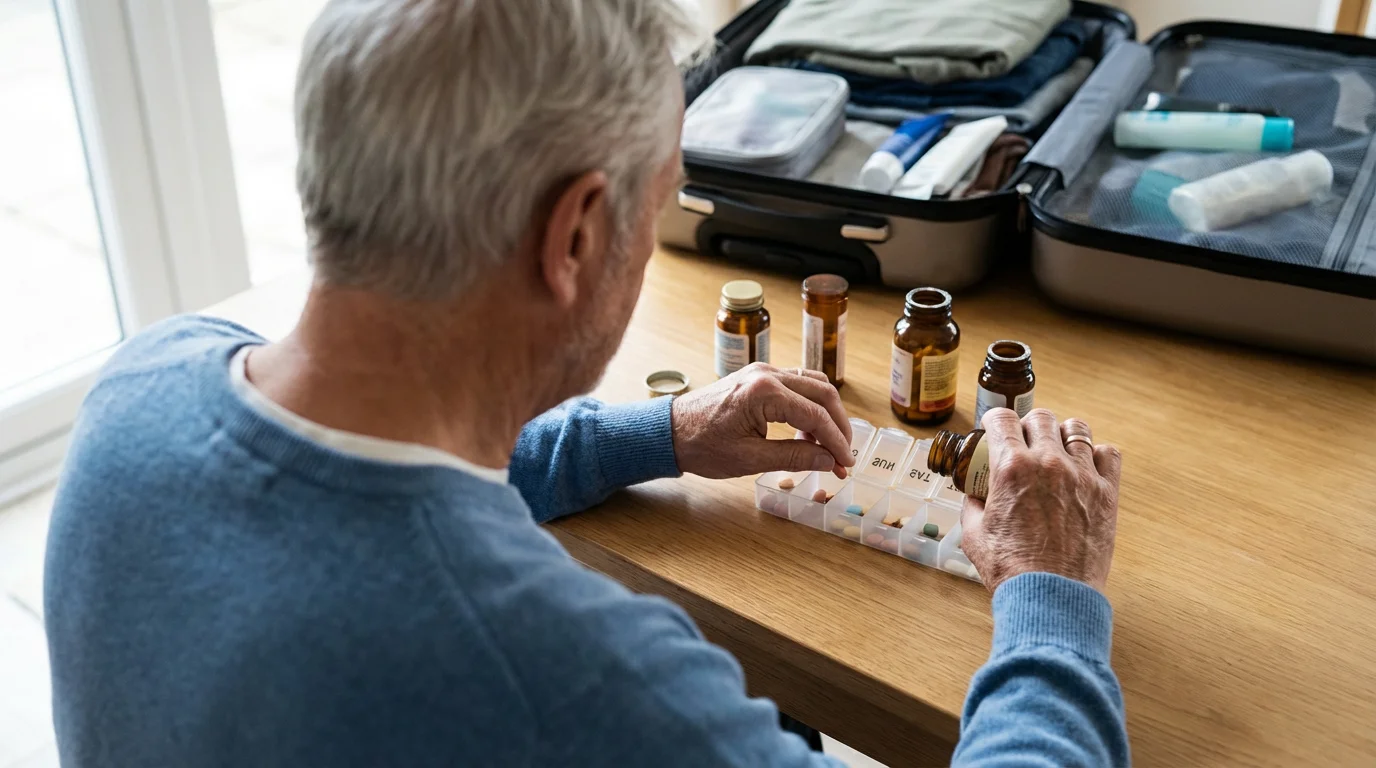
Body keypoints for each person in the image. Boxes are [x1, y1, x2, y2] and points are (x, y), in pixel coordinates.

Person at [43, 1, 1128, 766]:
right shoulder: (569, 678)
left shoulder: (140, 387)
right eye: (657, 207)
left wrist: (654, 434)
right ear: (572, 236)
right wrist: (1051, 601)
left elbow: (351, 493)